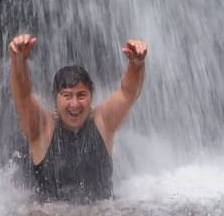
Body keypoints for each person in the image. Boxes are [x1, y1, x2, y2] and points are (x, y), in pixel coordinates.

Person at [8, 33, 148, 203]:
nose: (74, 104)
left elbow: (128, 94)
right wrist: (18, 62)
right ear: (55, 99)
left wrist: (136, 64)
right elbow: (23, 96)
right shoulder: (42, 128)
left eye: (81, 95)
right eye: (67, 96)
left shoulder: (102, 121)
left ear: (91, 97)